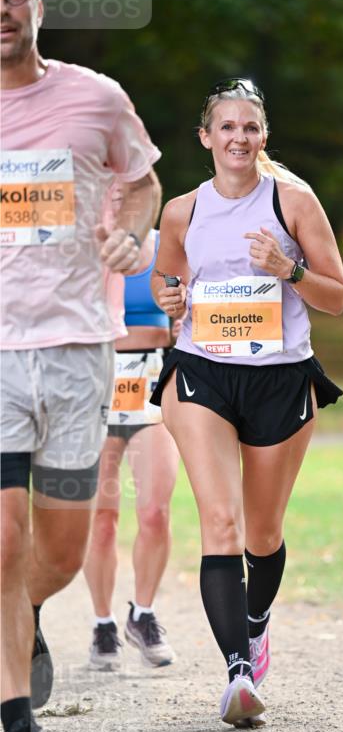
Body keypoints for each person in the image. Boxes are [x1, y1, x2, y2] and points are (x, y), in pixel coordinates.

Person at [0, 0, 161, 732]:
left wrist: (131, 232)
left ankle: (21, 618)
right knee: (1, 536)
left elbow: (140, 179)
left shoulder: (95, 98)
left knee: (57, 551)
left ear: (38, 1)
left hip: (73, 348)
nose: (2, 7)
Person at [149, 78, 343, 728]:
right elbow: (166, 276)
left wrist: (286, 269)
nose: (239, 138)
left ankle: (255, 623)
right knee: (222, 526)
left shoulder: (293, 202)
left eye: (250, 128)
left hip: (280, 378)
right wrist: (170, 299)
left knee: (262, 535)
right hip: (202, 371)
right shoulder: (181, 209)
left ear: (263, 138)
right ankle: (238, 676)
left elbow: (338, 296)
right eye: (226, 127)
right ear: (206, 137)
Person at [84, 229, 179, 672]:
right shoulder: (84, 244)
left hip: (153, 388)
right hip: (97, 387)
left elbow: (194, 308)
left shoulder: (168, 244)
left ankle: (143, 615)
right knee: (102, 520)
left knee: (155, 512)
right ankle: (102, 624)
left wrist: (183, 324)